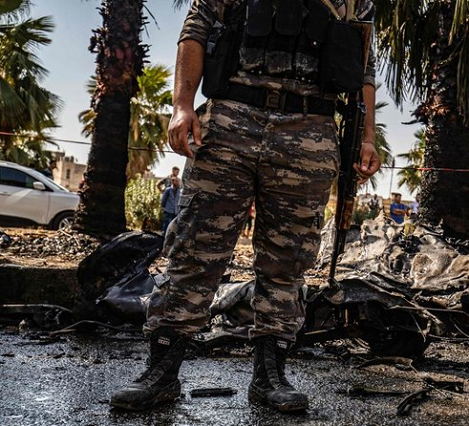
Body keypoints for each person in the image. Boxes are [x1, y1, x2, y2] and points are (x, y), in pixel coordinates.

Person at [109, 0, 380, 414]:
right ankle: (161, 372)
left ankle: (270, 376)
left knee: (286, 261)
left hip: (309, 128)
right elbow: (196, 29)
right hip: (231, 119)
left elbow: (363, 64)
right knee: (195, 248)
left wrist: (366, 136)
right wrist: (182, 105)